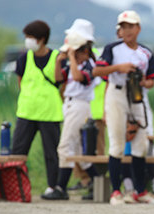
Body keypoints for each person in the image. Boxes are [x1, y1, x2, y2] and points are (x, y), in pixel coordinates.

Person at [92, 10, 154, 205]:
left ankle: (139, 191)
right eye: (123, 26)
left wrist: (143, 81)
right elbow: (97, 70)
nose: (127, 30)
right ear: (119, 30)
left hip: (136, 94)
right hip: (117, 93)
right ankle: (116, 192)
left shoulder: (146, 52)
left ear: (138, 28)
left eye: (130, 26)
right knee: (117, 142)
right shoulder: (113, 48)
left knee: (141, 143)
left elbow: (151, 82)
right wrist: (118, 67)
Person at [41, 31, 101, 200]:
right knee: (81, 152)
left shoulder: (89, 64)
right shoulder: (74, 64)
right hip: (70, 105)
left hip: (80, 106)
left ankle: (61, 187)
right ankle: (99, 185)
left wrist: (73, 58)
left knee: (65, 147)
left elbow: (78, 77)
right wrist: (59, 60)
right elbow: (59, 78)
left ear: (82, 51)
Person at [12, 20, 63, 198]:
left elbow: (60, 82)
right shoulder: (23, 58)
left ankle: (52, 186)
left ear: (42, 39)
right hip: (26, 111)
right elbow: (21, 83)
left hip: (50, 113)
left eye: (31, 37)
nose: (28, 40)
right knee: (18, 151)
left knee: (51, 152)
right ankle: (14, 185)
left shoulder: (57, 57)